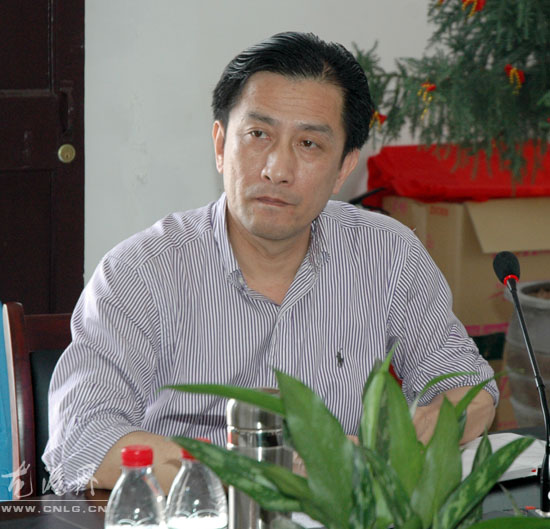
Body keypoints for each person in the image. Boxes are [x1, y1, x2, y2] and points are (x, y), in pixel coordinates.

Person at [44, 31, 497, 495]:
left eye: (309, 144)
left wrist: (395, 448)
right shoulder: (141, 271)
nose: (277, 169)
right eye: (258, 135)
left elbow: (471, 388)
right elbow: (82, 439)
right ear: (220, 145)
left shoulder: (387, 253)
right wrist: (267, 472)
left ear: (344, 168)